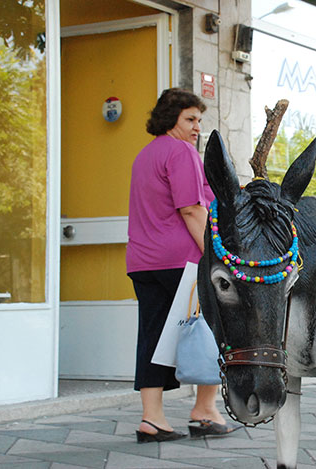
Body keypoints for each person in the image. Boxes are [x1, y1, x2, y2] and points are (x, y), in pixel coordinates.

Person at [126, 88, 240, 442]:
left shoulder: (144, 156)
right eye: (190, 119)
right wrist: (215, 254)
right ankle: (205, 411)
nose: (196, 127)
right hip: (183, 260)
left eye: (199, 120)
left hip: (143, 261)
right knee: (214, 329)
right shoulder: (181, 152)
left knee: (153, 337)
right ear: (170, 118)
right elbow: (192, 209)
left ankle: (152, 418)